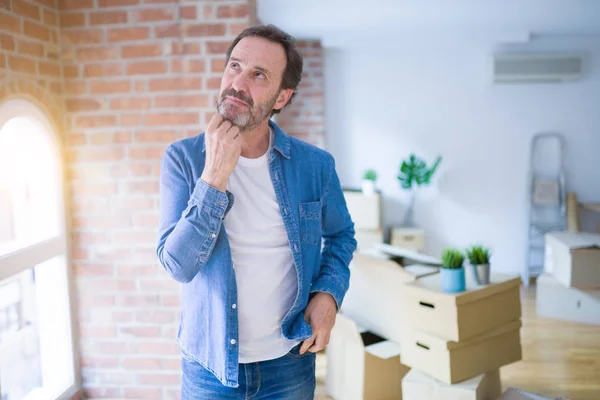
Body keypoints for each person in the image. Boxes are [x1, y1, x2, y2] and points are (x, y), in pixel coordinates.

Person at [157, 24, 356, 399]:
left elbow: (341, 235)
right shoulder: (183, 160)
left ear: (282, 97)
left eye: (258, 75)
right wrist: (213, 177)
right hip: (209, 368)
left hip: (289, 359)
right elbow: (177, 266)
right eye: (234, 66)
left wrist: (327, 294)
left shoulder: (315, 166)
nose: (238, 83)